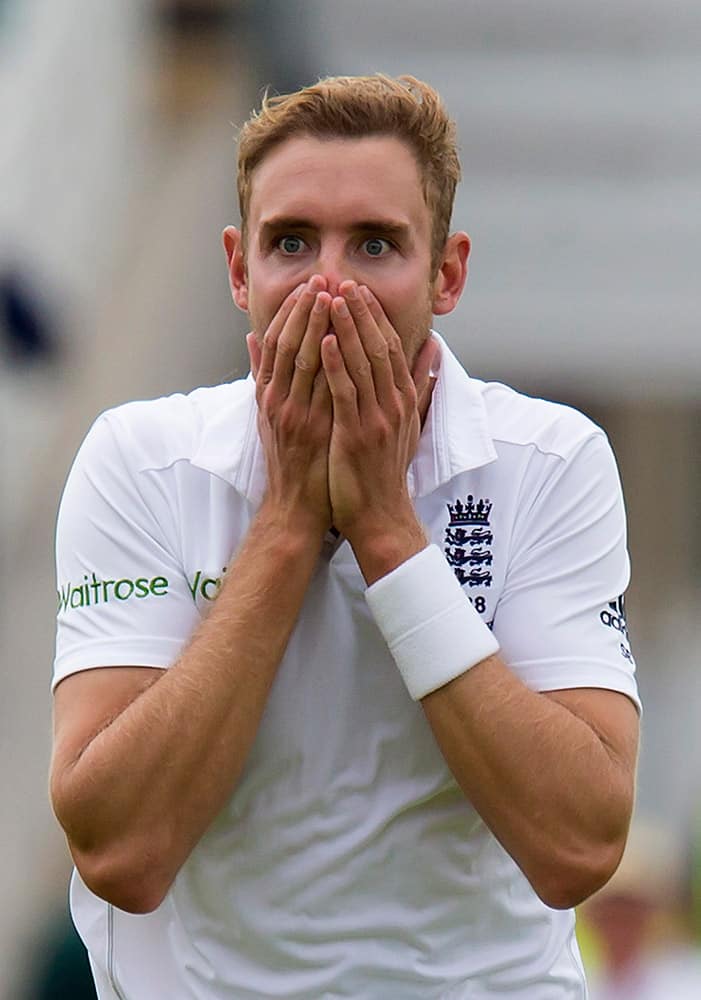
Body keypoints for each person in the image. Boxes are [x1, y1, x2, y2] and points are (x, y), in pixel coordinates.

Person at [50, 75, 641, 999]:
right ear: (238, 269)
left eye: (375, 243)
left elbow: (580, 844)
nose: (329, 283)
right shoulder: (142, 460)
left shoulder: (550, 459)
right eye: (291, 241)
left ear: (446, 273)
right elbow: (120, 852)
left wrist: (384, 531)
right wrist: (288, 523)